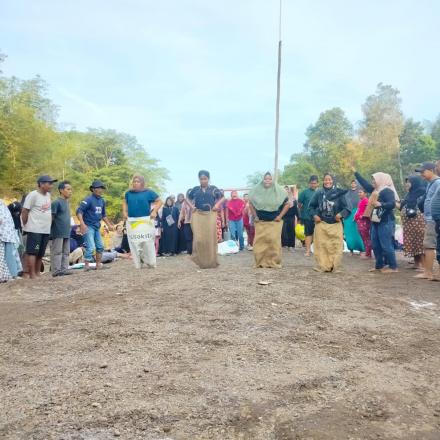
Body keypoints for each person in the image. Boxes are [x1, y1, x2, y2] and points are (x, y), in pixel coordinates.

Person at [354, 170, 399, 273]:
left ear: (380, 180)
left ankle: (393, 267)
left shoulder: (387, 191)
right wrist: (356, 173)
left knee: (386, 245)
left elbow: (392, 204)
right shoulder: (376, 190)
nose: (373, 181)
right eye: (372, 180)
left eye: (374, 179)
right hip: (375, 221)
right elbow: (365, 184)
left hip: (386, 221)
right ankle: (379, 266)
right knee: (375, 244)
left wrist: (381, 204)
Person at [309, 174, 349, 273]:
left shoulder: (340, 193)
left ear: (333, 181)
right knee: (321, 246)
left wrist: (340, 214)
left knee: (335, 246)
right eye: (326, 180)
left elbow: (347, 208)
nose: (328, 182)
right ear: (323, 181)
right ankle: (322, 266)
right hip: (321, 224)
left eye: (330, 180)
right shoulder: (319, 193)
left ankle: (335, 266)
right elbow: (310, 207)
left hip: (335, 224)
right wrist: (314, 215)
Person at [249, 172, 289, 268]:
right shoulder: (256, 191)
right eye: (266, 179)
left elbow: (287, 204)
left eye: (269, 179)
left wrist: (280, 216)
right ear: (263, 180)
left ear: (272, 180)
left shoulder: (279, 191)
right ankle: (260, 262)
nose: (267, 181)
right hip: (260, 221)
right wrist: (255, 216)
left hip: (274, 221)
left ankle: (273, 262)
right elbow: (250, 204)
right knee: (259, 243)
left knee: (273, 243)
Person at [122, 174, 162, 269]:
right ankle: (139, 262)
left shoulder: (148, 192)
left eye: (138, 181)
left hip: (145, 221)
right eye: (134, 181)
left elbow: (160, 201)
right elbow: (124, 202)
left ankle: (150, 262)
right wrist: (124, 212)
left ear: (142, 183)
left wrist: (154, 211)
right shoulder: (128, 193)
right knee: (135, 243)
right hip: (132, 222)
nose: (136, 183)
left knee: (146, 242)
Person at [21, 175, 57, 278]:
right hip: (34, 229)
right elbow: (25, 210)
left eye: (52, 183)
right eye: (49, 183)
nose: (51, 185)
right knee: (32, 252)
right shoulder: (33, 195)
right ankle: (32, 274)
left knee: (41, 253)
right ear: (41, 184)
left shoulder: (48, 196)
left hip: (45, 230)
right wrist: (26, 224)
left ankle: (37, 272)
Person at [188, 170, 224, 269]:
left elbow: (223, 198)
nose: (203, 181)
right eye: (201, 179)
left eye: (205, 179)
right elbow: (187, 198)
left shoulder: (213, 189)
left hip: (210, 215)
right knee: (199, 239)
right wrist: (192, 206)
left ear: (208, 179)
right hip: (198, 215)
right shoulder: (195, 189)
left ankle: (211, 262)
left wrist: (217, 205)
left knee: (210, 238)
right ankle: (201, 261)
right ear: (199, 179)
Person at [76, 180, 114, 271]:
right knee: (91, 247)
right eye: (98, 188)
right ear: (93, 189)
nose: (100, 190)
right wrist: (82, 223)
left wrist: (109, 225)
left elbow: (103, 215)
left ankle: (98, 265)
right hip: (88, 226)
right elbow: (79, 211)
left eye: (101, 188)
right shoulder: (88, 200)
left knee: (100, 246)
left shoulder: (102, 201)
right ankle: (86, 266)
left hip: (97, 226)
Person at [414, 162, 440, 280]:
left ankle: (428, 272)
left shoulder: (437, 183)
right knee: (430, 245)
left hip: (433, 219)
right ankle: (430, 272)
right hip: (430, 218)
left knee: (429, 245)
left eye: (423, 172)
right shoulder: (431, 184)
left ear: (431, 170)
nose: (421, 174)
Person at [399, 175, 426, 271]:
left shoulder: (421, 192)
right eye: (406, 182)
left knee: (419, 242)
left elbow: (422, 207)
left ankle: (424, 265)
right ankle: (416, 263)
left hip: (418, 223)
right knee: (412, 242)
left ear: (414, 183)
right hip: (409, 225)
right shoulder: (409, 194)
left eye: (409, 182)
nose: (407, 184)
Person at [50, 181, 74, 277]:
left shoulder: (67, 202)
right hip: (57, 232)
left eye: (71, 189)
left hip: (66, 232)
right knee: (57, 252)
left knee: (66, 252)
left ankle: (64, 269)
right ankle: (56, 270)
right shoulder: (56, 202)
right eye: (68, 189)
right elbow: (52, 217)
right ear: (61, 190)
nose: (70, 191)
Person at [0, 200, 22, 282]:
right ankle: (10, 275)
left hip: (6, 234)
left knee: (9, 255)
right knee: (7, 256)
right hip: (5, 234)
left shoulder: (2, 204)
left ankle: (12, 275)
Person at [298, 176, 319, 257]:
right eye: (312, 183)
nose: (313, 185)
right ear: (309, 183)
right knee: (308, 234)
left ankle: (316, 250)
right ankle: (308, 251)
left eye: (315, 183)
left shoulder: (320, 192)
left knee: (317, 234)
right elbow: (299, 204)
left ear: (317, 183)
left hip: (318, 217)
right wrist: (303, 212)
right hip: (307, 217)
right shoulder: (305, 192)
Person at [344, 180, 364, 255]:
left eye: (354, 183)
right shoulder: (347, 193)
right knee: (349, 232)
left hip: (357, 212)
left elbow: (363, 203)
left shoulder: (360, 192)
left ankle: (361, 250)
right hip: (348, 213)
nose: (353, 184)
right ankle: (351, 250)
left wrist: (358, 213)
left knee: (358, 231)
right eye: (352, 183)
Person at [354, 188, 372, 259]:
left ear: (365, 193)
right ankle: (367, 252)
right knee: (363, 237)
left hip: (364, 222)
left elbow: (368, 211)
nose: (359, 194)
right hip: (360, 221)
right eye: (358, 192)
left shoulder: (366, 201)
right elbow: (359, 210)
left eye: (360, 192)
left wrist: (361, 216)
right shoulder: (361, 201)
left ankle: (368, 254)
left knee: (366, 238)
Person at [281, 186, 298, 250]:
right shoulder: (281, 199)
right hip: (283, 217)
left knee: (291, 230)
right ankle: (284, 244)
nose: (286, 191)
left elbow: (296, 209)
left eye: (287, 189)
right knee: (284, 231)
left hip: (291, 217)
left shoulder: (293, 199)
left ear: (289, 190)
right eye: (285, 189)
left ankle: (291, 245)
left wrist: (299, 217)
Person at [178, 191, 194, 255]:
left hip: (195, 222)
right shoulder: (185, 203)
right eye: (188, 193)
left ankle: (196, 251)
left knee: (195, 237)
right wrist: (179, 221)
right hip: (187, 222)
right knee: (188, 237)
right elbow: (182, 212)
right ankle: (189, 251)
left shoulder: (196, 201)